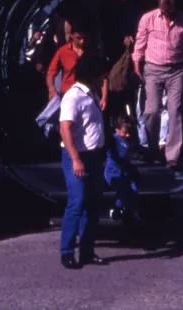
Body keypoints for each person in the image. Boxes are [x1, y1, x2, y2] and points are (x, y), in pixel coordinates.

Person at [132, 0, 183, 170]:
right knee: (152, 111)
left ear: (176, 0)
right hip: (153, 69)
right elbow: (139, 43)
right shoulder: (148, 19)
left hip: (177, 71)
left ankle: (172, 156)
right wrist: (136, 63)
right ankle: (153, 149)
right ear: (158, 0)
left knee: (175, 112)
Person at [58, 54, 110, 269]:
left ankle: (87, 251)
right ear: (93, 76)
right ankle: (67, 251)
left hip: (94, 156)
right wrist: (76, 159)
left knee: (92, 204)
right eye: (102, 75)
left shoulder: (92, 95)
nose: (104, 79)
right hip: (77, 157)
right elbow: (65, 128)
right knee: (76, 203)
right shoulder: (74, 97)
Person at [47, 21, 108, 110]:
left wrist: (104, 98)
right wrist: (51, 89)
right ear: (72, 35)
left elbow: (103, 77)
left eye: (84, 38)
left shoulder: (93, 52)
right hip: (67, 95)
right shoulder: (63, 51)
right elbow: (51, 72)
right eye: (79, 38)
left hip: (88, 96)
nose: (82, 41)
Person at [105, 114, 142, 224]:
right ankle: (118, 210)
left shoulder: (127, 140)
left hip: (124, 171)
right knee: (124, 192)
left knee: (134, 189)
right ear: (116, 130)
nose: (127, 135)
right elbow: (117, 155)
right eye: (125, 132)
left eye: (129, 132)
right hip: (113, 173)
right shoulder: (113, 140)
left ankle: (123, 209)